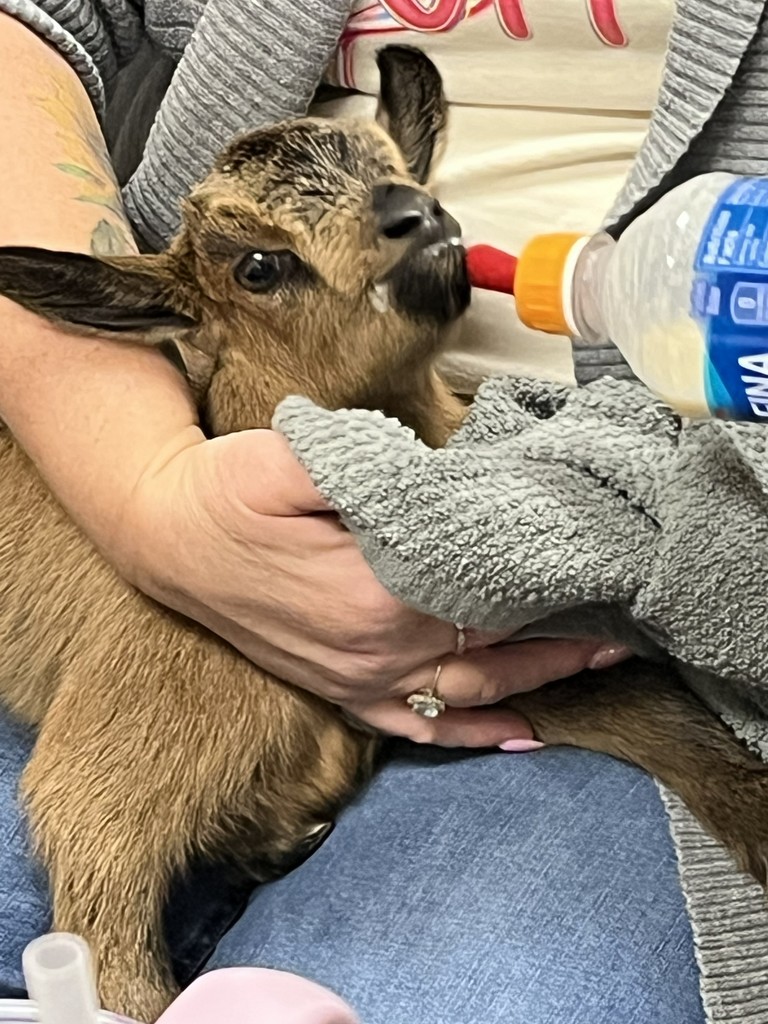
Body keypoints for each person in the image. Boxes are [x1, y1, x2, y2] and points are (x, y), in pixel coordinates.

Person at [0, 1, 760, 1021]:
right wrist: (148, 499)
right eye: (263, 268)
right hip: (142, 444)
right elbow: (94, 824)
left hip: (644, 450)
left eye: (407, 201)